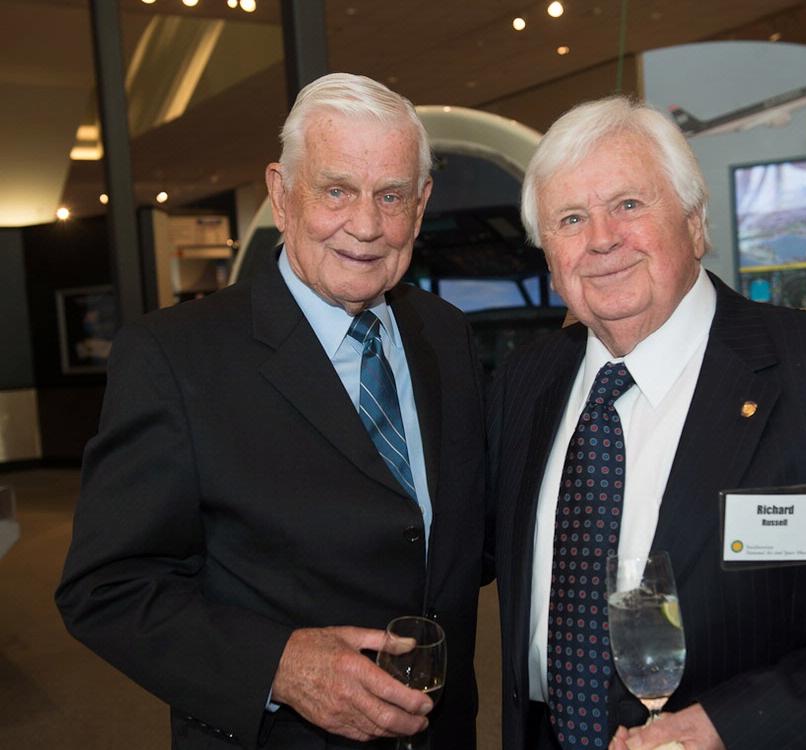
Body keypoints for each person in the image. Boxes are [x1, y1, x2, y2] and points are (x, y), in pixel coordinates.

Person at [487, 95, 806, 750]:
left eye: (629, 205)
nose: (601, 238)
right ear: (548, 252)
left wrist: (734, 726)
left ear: (696, 224)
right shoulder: (523, 386)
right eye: (570, 218)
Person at [56, 73, 486, 749]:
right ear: (282, 195)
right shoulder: (175, 357)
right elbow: (106, 586)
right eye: (337, 190)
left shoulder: (445, 335)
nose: (367, 226)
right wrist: (278, 666)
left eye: (391, 195)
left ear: (422, 204)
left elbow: (455, 541)